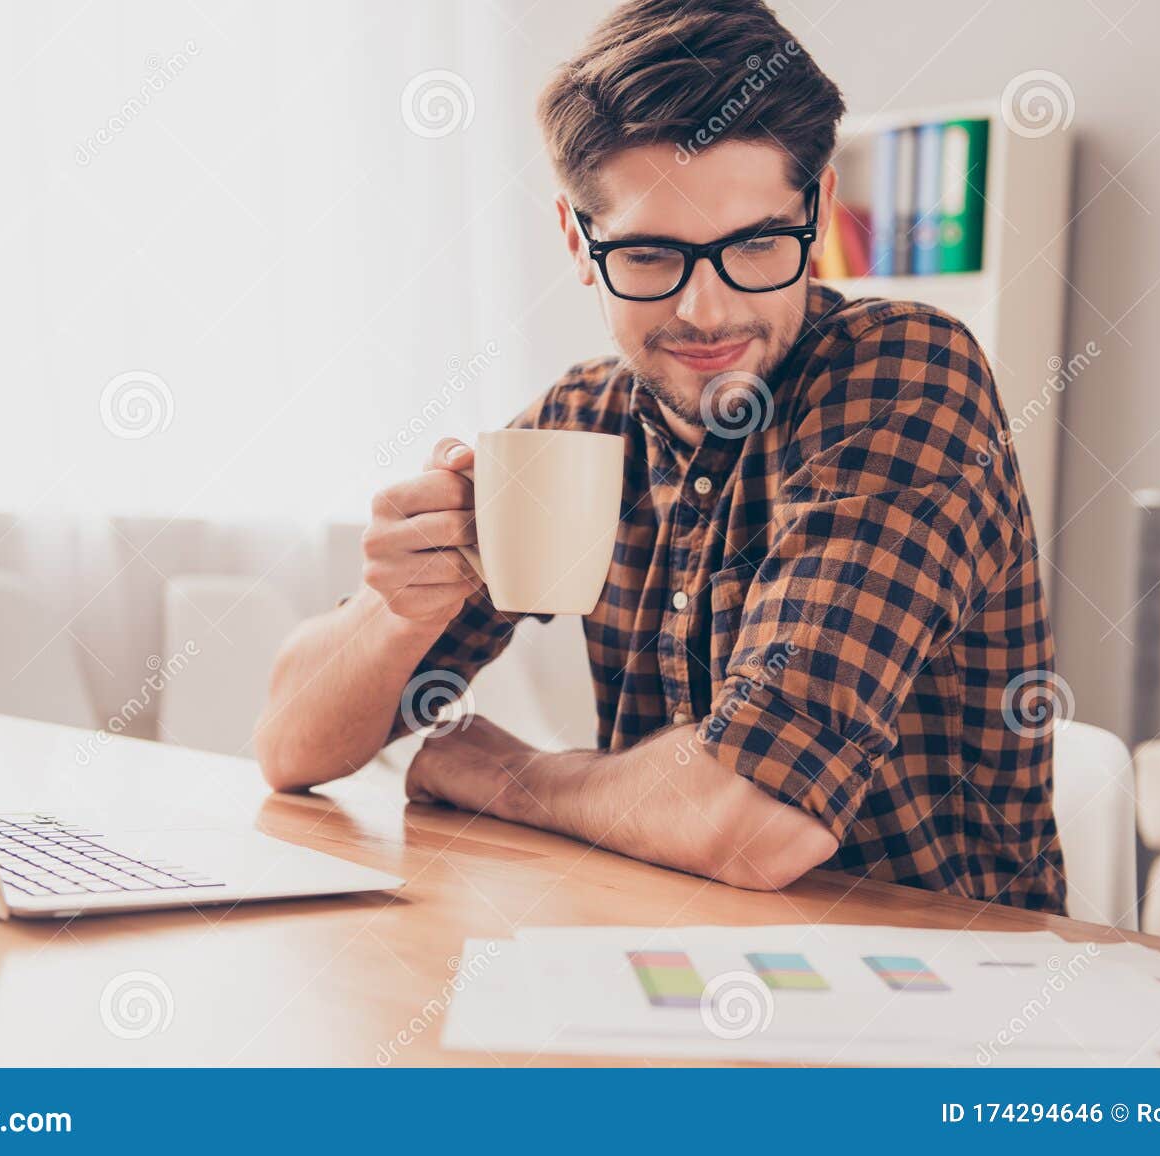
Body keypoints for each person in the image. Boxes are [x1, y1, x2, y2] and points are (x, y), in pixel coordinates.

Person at [257, 0, 1064, 912]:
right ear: (579, 243)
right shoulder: (582, 422)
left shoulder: (905, 375)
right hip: (671, 961)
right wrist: (392, 614)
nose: (709, 313)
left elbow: (755, 825)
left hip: (948, 997)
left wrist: (508, 776)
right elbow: (289, 749)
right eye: (649, 255)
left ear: (820, 212)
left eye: (757, 244)